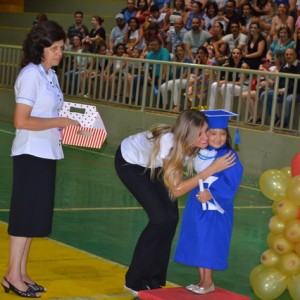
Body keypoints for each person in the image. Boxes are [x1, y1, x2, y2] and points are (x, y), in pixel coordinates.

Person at [114, 109, 236, 295]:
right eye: (200, 133)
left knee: (170, 218)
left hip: (157, 166)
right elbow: (177, 189)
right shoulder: (170, 142)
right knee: (159, 219)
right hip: (130, 162)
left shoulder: (196, 146)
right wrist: (210, 170)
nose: (205, 138)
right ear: (187, 133)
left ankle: (154, 278)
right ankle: (134, 280)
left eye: (206, 131)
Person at [1, 20, 80, 298]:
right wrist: (60, 120)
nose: (60, 52)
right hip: (30, 152)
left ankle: (20, 273)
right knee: (24, 217)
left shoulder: (50, 75)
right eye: (55, 48)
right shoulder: (31, 75)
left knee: (33, 217)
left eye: (61, 47)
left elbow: (50, 115)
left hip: (47, 152)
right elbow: (21, 120)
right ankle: (11, 275)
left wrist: (72, 123)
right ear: (41, 48)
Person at [174, 109, 243, 295]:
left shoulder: (229, 155)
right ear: (204, 134)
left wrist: (212, 195)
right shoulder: (201, 151)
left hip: (215, 205)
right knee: (198, 238)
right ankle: (202, 279)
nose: (218, 138)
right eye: (212, 133)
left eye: (222, 134)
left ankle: (209, 281)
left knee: (209, 241)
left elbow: (231, 182)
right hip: (197, 200)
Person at [260, 47, 300, 128]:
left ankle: (283, 123)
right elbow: (279, 82)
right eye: (287, 54)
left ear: (296, 56)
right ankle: (275, 118)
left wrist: (282, 89)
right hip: (283, 92)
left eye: (291, 54)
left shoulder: (299, 67)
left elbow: (297, 85)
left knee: (289, 99)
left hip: (296, 93)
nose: (288, 56)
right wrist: (276, 88)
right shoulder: (284, 68)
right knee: (265, 95)